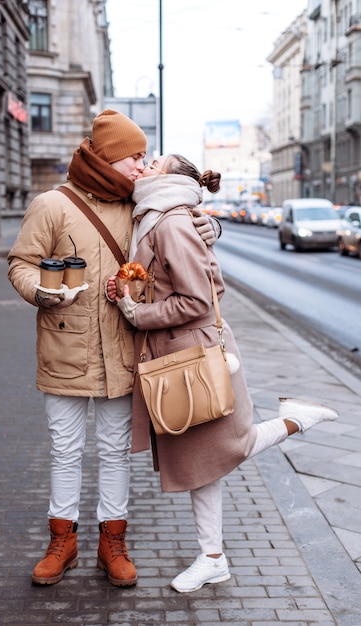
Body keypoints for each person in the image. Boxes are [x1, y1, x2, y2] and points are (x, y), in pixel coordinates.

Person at [7, 110, 219, 588]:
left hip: (125, 350)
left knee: (115, 452)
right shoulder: (52, 205)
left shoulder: (141, 206)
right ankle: (62, 540)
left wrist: (210, 229)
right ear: (107, 157)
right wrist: (41, 292)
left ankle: (113, 541)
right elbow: (21, 263)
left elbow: (180, 233)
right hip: (65, 347)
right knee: (65, 449)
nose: (143, 166)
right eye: (135, 156)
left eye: (146, 156)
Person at [109, 153, 339, 593]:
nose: (145, 166)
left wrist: (137, 313)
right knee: (204, 461)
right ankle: (213, 557)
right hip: (179, 352)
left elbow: (196, 300)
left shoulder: (171, 222)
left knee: (219, 451)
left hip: (192, 353)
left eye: (154, 162)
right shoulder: (153, 216)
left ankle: (294, 420)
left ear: (172, 178)